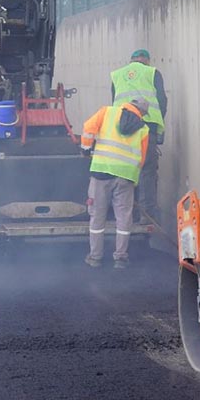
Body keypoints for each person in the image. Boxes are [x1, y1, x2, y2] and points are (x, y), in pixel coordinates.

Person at [80, 97, 151, 269]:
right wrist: (133, 178)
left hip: (101, 172)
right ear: (141, 112)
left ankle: (95, 257)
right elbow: (141, 157)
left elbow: (88, 128)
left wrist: (86, 148)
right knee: (124, 217)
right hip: (126, 176)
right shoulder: (144, 128)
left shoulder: (107, 112)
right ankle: (120, 257)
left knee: (97, 214)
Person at [110, 49, 167, 224]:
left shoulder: (117, 75)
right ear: (147, 61)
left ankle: (128, 214)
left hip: (123, 127)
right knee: (147, 170)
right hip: (146, 125)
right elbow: (162, 101)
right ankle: (146, 215)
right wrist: (159, 129)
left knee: (127, 169)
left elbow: (114, 101)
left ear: (132, 60)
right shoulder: (152, 73)